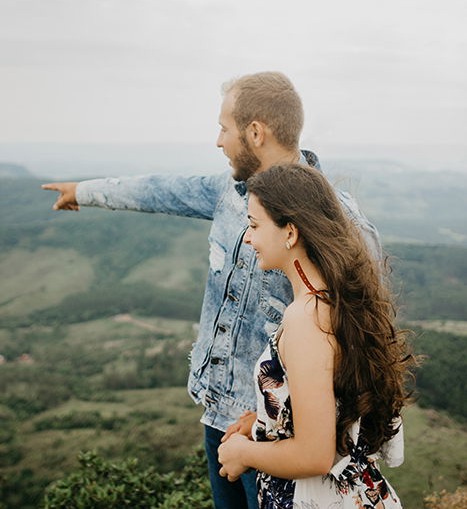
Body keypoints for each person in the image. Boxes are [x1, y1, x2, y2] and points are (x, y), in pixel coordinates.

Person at [42, 71, 381, 509]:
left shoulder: (335, 216)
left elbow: (367, 320)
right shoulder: (229, 193)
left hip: (281, 431)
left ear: (255, 132)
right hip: (217, 409)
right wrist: (82, 192)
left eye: (224, 128)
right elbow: (162, 190)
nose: (218, 141)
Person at [218, 164, 412, 509]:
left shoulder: (307, 320)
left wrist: (242, 452)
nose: (248, 238)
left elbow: (316, 455)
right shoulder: (337, 300)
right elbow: (334, 404)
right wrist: (265, 421)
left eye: (254, 225)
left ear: (290, 233)